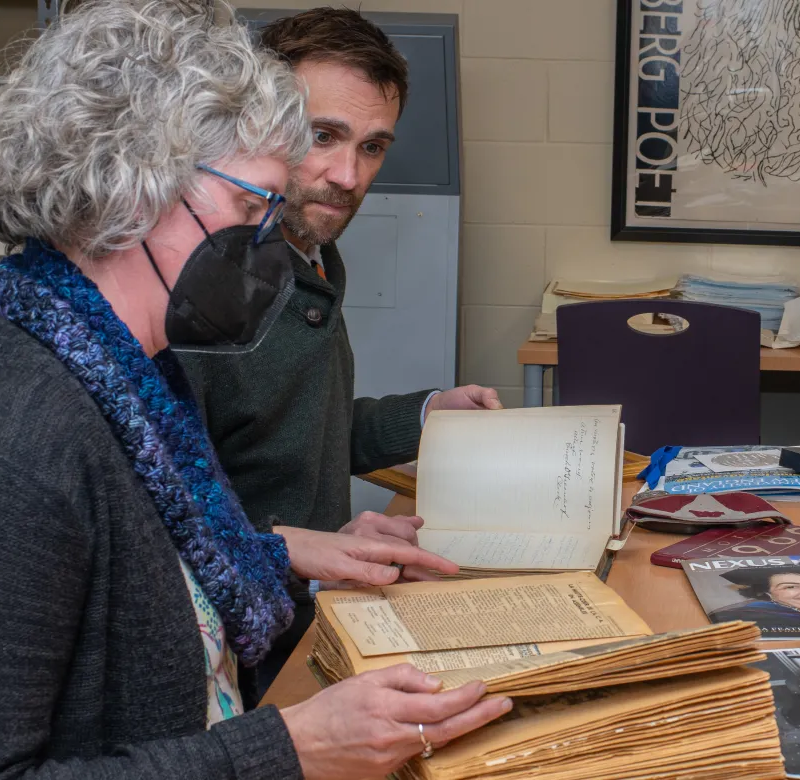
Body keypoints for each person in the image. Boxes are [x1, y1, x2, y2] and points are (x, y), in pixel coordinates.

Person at [0, 3, 508, 777]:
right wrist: (289, 748)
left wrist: (279, 554)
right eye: (251, 207)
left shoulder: (125, 376)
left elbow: (157, 580)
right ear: (132, 183)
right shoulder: (6, 458)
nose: (268, 244)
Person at [175, 6, 503, 697]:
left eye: (373, 147)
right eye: (322, 136)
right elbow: (164, 511)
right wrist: (303, 554)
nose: (347, 175)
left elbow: (297, 432)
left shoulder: (311, 256)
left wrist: (426, 413)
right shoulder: (204, 283)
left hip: (311, 614)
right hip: (234, 651)